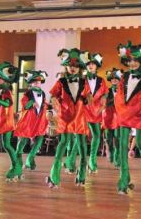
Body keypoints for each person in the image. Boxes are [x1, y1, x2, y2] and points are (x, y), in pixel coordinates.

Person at [114, 41, 141, 194]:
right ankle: (123, 179)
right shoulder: (124, 76)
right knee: (122, 145)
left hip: (140, 113)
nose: (132, 63)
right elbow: (119, 94)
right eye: (130, 60)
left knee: (140, 143)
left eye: (135, 61)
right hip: (125, 113)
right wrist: (119, 109)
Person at [46, 48, 89, 188]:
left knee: (82, 146)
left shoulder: (84, 82)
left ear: (80, 67)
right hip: (65, 115)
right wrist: (54, 101)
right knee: (63, 143)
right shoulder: (61, 81)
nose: (73, 68)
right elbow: (52, 95)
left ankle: (81, 175)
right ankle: (54, 175)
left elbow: (88, 96)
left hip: (79, 116)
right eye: (70, 65)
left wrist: (89, 98)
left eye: (76, 66)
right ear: (66, 65)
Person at [14, 70, 49, 172]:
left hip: (39, 120)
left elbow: (44, 103)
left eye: (38, 82)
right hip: (29, 120)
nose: (37, 84)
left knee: (40, 139)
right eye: (34, 82)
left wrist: (50, 105)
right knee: (23, 140)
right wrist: (31, 103)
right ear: (30, 83)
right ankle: (18, 158)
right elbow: (24, 103)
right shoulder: (28, 93)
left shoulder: (42, 93)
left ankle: (30, 158)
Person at [82, 53, 107, 174]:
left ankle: (92, 160)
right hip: (83, 110)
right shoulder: (82, 79)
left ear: (97, 66)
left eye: (93, 64)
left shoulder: (101, 80)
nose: (91, 65)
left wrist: (104, 97)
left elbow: (106, 92)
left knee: (96, 135)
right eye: (89, 64)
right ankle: (73, 160)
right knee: (80, 135)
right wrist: (86, 97)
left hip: (96, 111)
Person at [102, 68, 123, 167]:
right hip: (108, 115)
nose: (114, 80)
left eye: (116, 78)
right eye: (113, 78)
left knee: (117, 137)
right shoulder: (106, 90)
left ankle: (117, 157)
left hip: (119, 116)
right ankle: (110, 151)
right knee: (109, 138)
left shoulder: (124, 91)